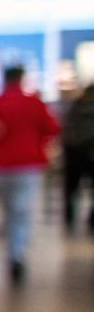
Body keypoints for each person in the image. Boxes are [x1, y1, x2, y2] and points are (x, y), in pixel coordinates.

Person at [0, 67, 60, 284]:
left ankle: (12, 250)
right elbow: (52, 128)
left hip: (1, 164)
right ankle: (17, 253)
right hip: (28, 163)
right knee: (23, 210)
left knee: (8, 210)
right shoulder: (34, 103)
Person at [62, 80, 94, 235]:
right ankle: (91, 220)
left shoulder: (75, 107)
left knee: (71, 188)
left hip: (74, 153)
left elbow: (66, 130)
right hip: (90, 153)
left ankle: (68, 217)